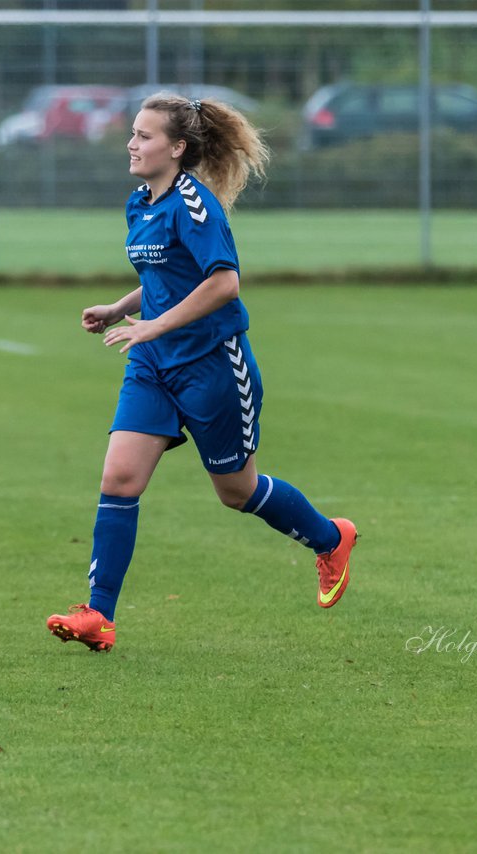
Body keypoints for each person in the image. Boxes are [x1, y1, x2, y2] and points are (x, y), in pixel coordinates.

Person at [46, 93, 357, 652]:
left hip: (213, 365)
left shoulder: (196, 204)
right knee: (119, 479)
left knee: (236, 492)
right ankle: (100, 615)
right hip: (152, 364)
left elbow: (222, 283)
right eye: (132, 133)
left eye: (144, 135)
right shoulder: (139, 203)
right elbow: (166, 273)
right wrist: (122, 310)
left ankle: (332, 538)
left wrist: (152, 325)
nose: (131, 143)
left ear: (177, 147)